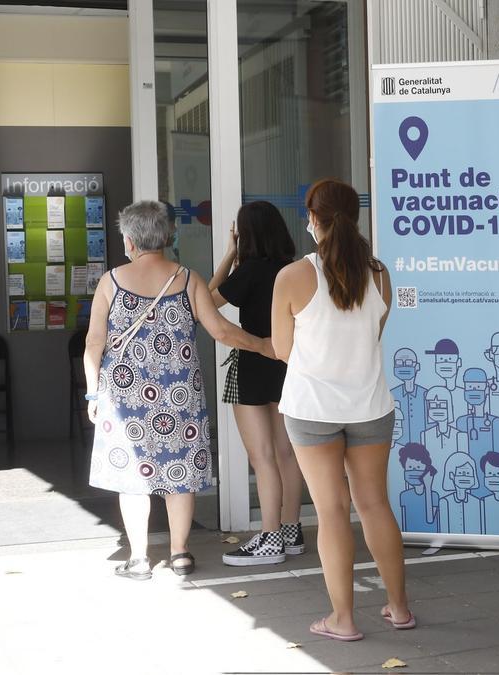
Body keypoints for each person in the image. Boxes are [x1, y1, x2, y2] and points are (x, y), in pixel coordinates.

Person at [84, 200, 273, 580]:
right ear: (167, 237)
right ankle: (180, 553)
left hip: (125, 397)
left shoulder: (111, 281)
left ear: (129, 240)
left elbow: (94, 343)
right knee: (180, 473)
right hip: (179, 396)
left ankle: (139, 558)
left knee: (131, 476)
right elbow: (221, 331)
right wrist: (264, 345)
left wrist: (92, 394)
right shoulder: (188, 279)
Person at [272, 178, 414, 641]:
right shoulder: (379, 274)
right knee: (374, 504)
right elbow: (373, 336)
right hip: (370, 404)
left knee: (332, 511)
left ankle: (343, 619)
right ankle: (399, 608)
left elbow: (281, 348)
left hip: (312, 408)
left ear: (314, 218)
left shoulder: (293, 276)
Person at [208, 200, 305, 566]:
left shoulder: (249, 270)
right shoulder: (294, 269)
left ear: (246, 235)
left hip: (253, 362)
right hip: (288, 363)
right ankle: (291, 529)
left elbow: (208, 301)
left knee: (261, 456)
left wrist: (229, 254)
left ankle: (269, 537)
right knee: (286, 453)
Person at [455, 367, 499, 498]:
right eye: (470, 387)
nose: (474, 391)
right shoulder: (461, 422)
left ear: (486, 389)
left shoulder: (496, 423)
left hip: (492, 479)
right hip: (466, 479)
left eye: (478, 387)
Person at [397, 442, 439, 533]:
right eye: (410, 467)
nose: (414, 471)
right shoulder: (404, 495)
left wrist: (428, 488)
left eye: (418, 467)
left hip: (433, 536)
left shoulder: (434, 496)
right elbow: (403, 522)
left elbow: (430, 520)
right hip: (409, 538)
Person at [438, 451, 483, 534]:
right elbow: (443, 529)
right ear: (452, 475)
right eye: (460, 473)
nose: (465, 477)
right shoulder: (445, 502)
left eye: (469, 473)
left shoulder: (477, 502)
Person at [390, 347, 427, 447]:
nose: (404, 366)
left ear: (417, 366)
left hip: (424, 449)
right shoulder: (391, 395)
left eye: (409, 362)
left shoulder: (426, 395)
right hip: (398, 448)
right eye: (399, 363)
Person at [427, 338, 467, 417]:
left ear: (458, 362)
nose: (445, 363)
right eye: (440, 359)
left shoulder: (464, 393)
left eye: (450, 359)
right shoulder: (433, 394)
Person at [421, 386, 459, 458]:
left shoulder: (458, 434)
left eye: (442, 405)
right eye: (433, 405)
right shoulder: (425, 435)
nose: (437, 409)